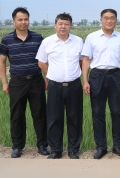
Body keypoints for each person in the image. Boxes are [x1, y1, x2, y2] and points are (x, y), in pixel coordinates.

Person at [0, 7, 49, 158]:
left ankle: (42, 145)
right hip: (17, 82)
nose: (23, 22)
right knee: (17, 115)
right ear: (13, 21)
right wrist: (4, 82)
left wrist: (46, 78)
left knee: (39, 113)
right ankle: (17, 146)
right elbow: (2, 62)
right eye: (20, 19)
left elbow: (44, 59)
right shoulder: (7, 39)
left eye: (26, 19)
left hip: (36, 80)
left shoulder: (38, 38)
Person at [82, 9, 120, 159]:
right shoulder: (92, 37)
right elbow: (86, 59)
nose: (109, 21)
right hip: (97, 76)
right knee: (98, 112)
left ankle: (118, 145)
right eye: (106, 18)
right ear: (101, 20)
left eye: (112, 18)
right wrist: (85, 80)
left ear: (116, 20)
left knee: (117, 111)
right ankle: (101, 147)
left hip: (115, 75)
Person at [36, 13, 84, 159]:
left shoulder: (78, 41)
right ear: (55, 25)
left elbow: (82, 61)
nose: (63, 26)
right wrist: (52, 73)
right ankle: (56, 150)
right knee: (54, 118)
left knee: (74, 118)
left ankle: (73, 150)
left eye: (66, 24)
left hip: (74, 85)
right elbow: (41, 62)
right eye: (60, 24)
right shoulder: (47, 42)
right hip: (55, 86)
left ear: (70, 26)